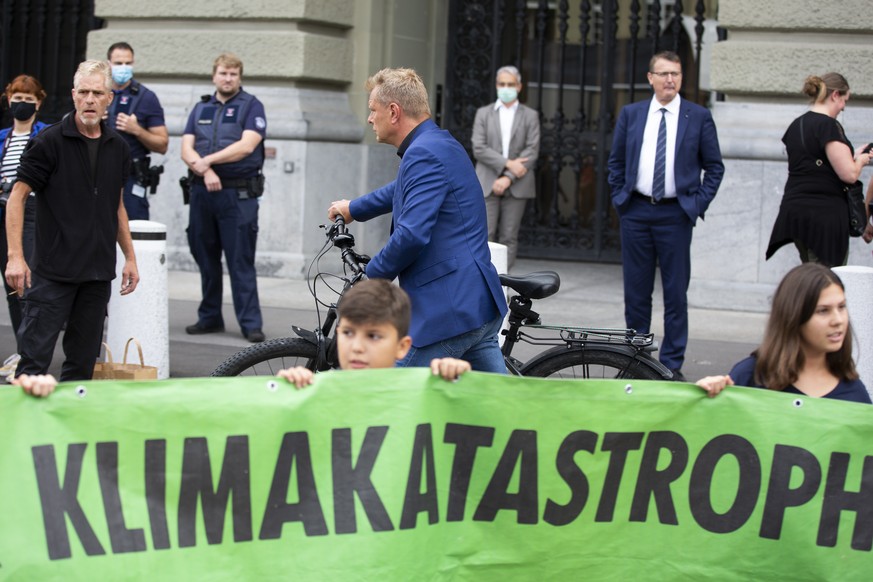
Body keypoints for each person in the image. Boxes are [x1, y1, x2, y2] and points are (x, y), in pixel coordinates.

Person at [327, 68, 508, 373]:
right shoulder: (439, 143)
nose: (370, 118)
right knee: (499, 407)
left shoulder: (423, 154)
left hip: (447, 312)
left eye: (373, 110)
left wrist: (372, 277)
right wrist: (353, 208)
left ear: (394, 112)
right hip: (474, 303)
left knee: (390, 394)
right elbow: (402, 189)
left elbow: (411, 235)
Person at [4, 60, 139, 381]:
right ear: (73, 95)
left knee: (81, 369)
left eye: (97, 93)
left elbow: (116, 205)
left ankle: (69, 432)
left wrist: (130, 257)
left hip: (96, 275)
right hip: (53, 273)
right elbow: (17, 197)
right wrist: (15, 257)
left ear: (109, 98)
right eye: (83, 92)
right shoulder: (49, 142)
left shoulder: (118, 147)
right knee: (33, 365)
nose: (90, 99)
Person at [607, 51, 724, 382]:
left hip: (676, 213)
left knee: (675, 293)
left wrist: (696, 204)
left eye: (676, 73)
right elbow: (616, 162)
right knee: (636, 291)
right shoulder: (632, 114)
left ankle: (671, 365)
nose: (670, 79)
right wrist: (621, 199)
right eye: (663, 73)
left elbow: (715, 167)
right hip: (636, 211)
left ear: (681, 78)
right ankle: (636, 358)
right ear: (650, 78)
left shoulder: (697, 116)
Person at [181, 53, 266, 343]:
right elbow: (186, 148)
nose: (227, 78)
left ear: (239, 77)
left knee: (240, 259)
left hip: (237, 194)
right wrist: (205, 171)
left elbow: (246, 146)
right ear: (214, 75)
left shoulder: (251, 106)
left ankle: (251, 323)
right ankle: (210, 317)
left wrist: (208, 162)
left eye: (233, 74)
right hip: (203, 192)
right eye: (223, 73)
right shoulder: (201, 107)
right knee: (205, 256)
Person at [696, 263, 871, 404]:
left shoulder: (855, 396)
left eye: (842, 307)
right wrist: (700, 399)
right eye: (823, 311)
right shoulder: (749, 376)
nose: (838, 320)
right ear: (794, 316)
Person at [278, 279, 471, 388]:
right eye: (348, 333)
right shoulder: (318, 388)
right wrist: (291, 392)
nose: (357, 347)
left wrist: (453, 380)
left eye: (373, 336)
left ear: (401, 347)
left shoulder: (418, 391)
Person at [767, 73, 872, 267]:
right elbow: (849, 174)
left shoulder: (797, 124)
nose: (844, 107)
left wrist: (853, 156)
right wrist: (861, 161)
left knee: (811, 276)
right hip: (824, 217)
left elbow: (816, 162)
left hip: (796, 212)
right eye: (844, 100)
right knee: (827, 281)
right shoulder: (828, 126)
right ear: (835, 95)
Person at [0, 75, 49, 380]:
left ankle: (29, 353)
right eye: (17, 98)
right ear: (8, 99)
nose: (22, 104)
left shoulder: (45, 134)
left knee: (25, 284)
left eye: (28, 100)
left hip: (30, 211)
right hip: (2, 211)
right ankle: (22, 349)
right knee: (9, 283)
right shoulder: (3, 136)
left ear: (39, 103)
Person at [471, 65, 540, 268]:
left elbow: (532, 151)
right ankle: (484, 281)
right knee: (486, 234)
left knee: (509, 236)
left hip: (518, 183)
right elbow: (479, 147)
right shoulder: (483, 114)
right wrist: (508, 164)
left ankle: (504, 286)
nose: (506, 88)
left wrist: (508, 176)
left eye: (510, 84)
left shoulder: (530, 115)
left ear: (519, 86)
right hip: (487, 181)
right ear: (496, 86)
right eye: (502, 84)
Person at [105, 42, 169, 221]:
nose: (123, 68)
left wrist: (137, 130)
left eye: (128, 63)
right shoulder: (97, 94)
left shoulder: (146, 98)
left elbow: (162, 144)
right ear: (108, 63)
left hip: (130, 178)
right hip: (97, 176)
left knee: (133, 234)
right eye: (118, 63)